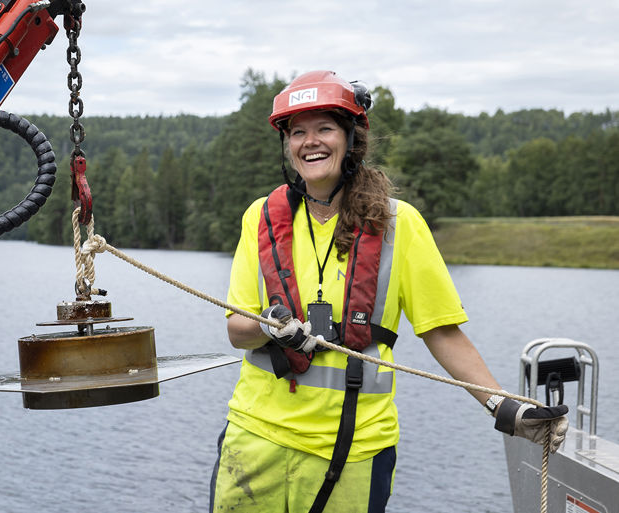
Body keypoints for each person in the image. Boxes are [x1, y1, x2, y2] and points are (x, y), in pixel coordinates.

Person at [209, 70, 569, 513]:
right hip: (255, 438)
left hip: (355, 451)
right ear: (287, 145)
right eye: (297, 132)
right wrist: (271, 327)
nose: (310, 142)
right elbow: (237, 329)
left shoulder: (401, 225)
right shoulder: (261, 217)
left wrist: (503, 407)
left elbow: (443, 333)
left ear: (350, 139)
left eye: (325, 128)